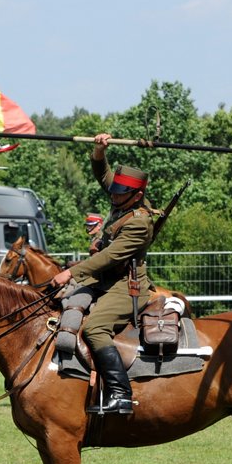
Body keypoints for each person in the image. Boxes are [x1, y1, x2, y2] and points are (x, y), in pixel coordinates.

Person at [51, 133, 159, 414]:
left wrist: (70, 273)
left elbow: (111, 256)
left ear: (136, 195)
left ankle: (121, 394)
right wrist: (99, 150)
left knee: (95, 328)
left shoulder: (139, 222)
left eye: (120, 192)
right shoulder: (122, 199)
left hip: (127, 284)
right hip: (105, 280)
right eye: (115, 190)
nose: (113, 194)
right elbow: (104, 176)